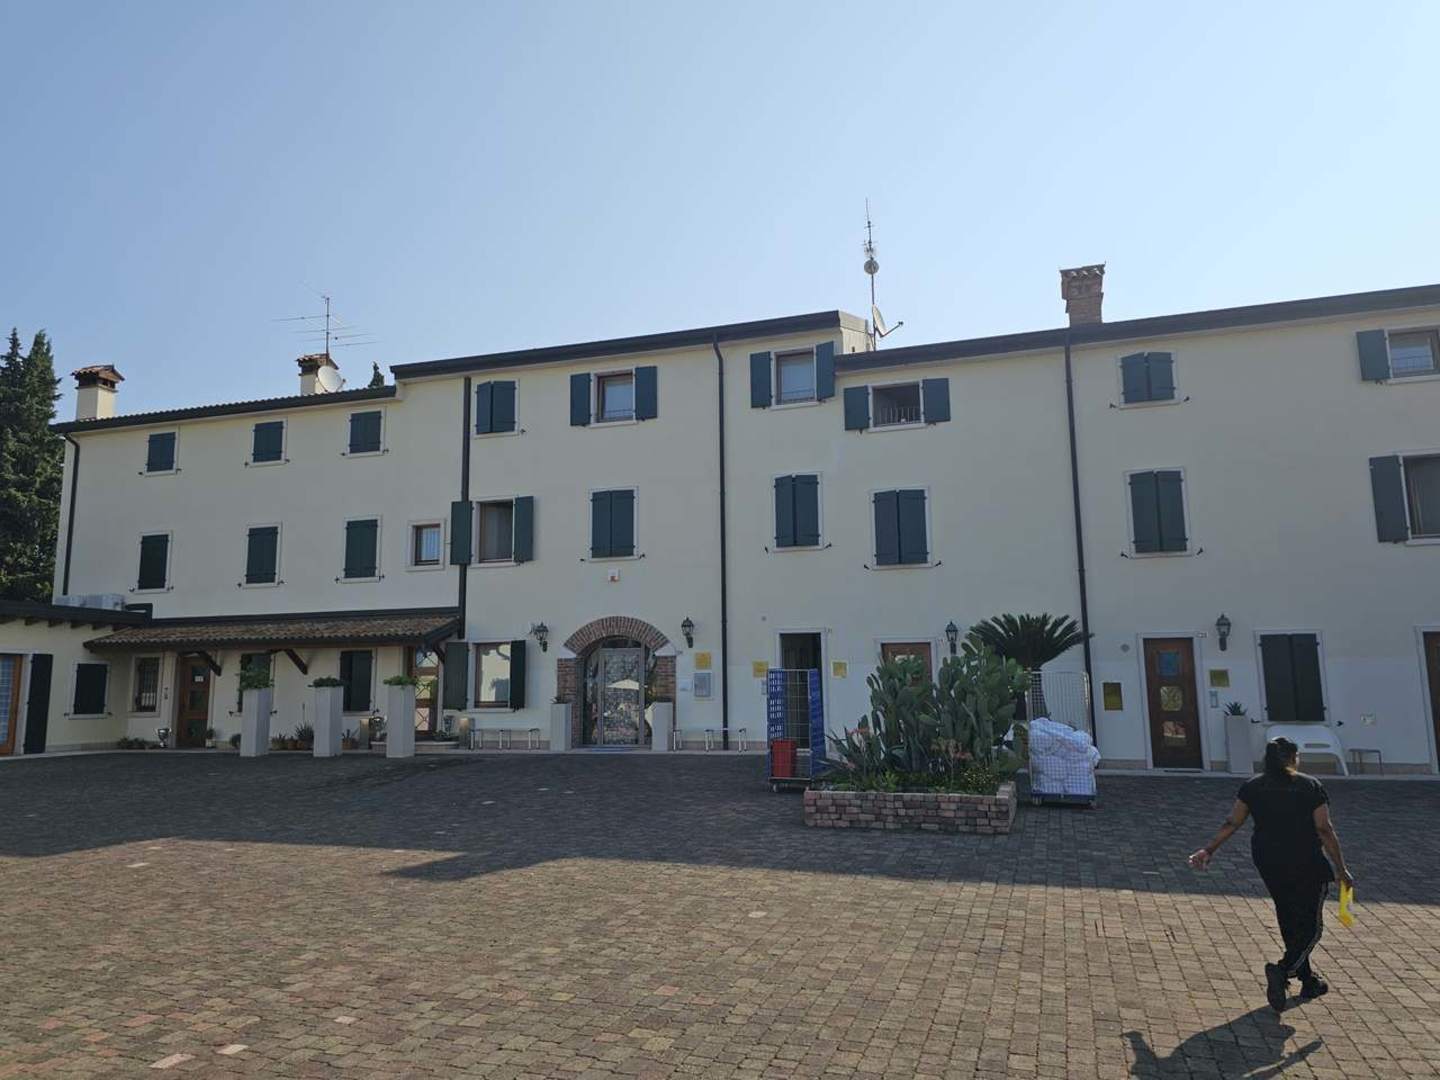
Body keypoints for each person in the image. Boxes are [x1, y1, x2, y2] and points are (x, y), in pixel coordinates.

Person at [1188, 736, 1355, 1011]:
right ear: (1293, 758)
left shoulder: (1253, 786)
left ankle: (1308, 980)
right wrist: (1340, 868)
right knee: (1311, 927)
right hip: (1306, 861)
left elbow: (1233, 821)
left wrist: (1209, 850)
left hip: (1268, 861)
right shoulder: (1309, 786)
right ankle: (1283, 969)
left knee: (1288, 916)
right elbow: (1324, 829)